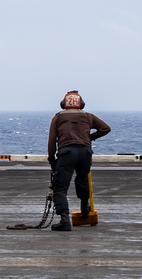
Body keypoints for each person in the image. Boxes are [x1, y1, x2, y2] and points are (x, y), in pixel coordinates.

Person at [47, 90, 110, 232]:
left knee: (60, 188)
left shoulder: (57, 118)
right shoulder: (89, 116)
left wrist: (52, 159)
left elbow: (52, 141)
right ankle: (84, 208)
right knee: (82, 179)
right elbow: (106, 128)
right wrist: (90, 138)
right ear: (81, 104)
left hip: (66, 153)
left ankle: (64, 220)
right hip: (85, 153)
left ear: (64, 104)